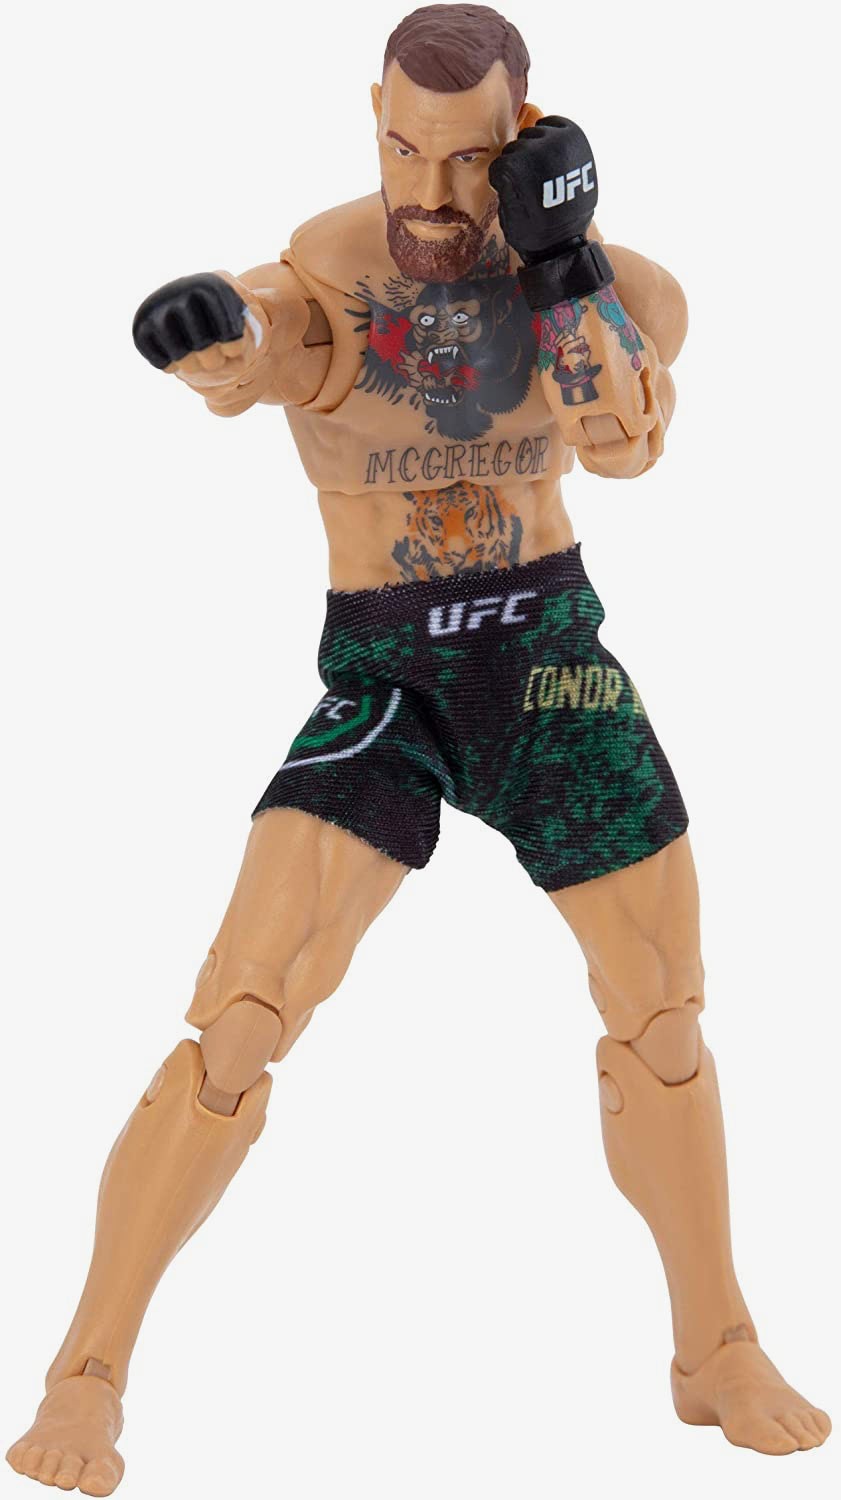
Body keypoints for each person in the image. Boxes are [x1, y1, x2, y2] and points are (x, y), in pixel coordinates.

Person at [7, 6, 830, 1493]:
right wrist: (209, 336)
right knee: (240, 1014)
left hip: (551, 664)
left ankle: (715, 1348)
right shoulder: (333, 264)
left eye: (465, 160)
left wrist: (562, 264)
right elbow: (266, 345)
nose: (431, 193)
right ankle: (86, 1376)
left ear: (524, 132)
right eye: (402, 150)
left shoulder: (619, 284)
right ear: (369, 120)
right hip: (391, 673)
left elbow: (627, 446)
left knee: (662, 1011)